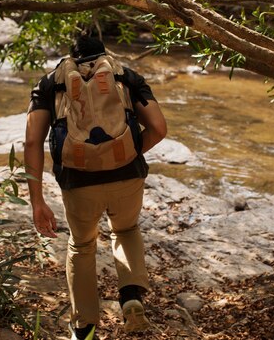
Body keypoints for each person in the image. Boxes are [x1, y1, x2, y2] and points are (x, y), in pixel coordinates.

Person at [24, 35, 167, 340]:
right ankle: (130, 296)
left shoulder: (50, 83)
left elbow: (32, 141)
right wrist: (127, 152)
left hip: (78, 182)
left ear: (70, 56)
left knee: (82, 245)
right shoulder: (125, 76)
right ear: (104, 52)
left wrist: (36, 200)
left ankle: (84, 329)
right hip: (127, 177)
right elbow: (159, 127)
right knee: (126, 230)